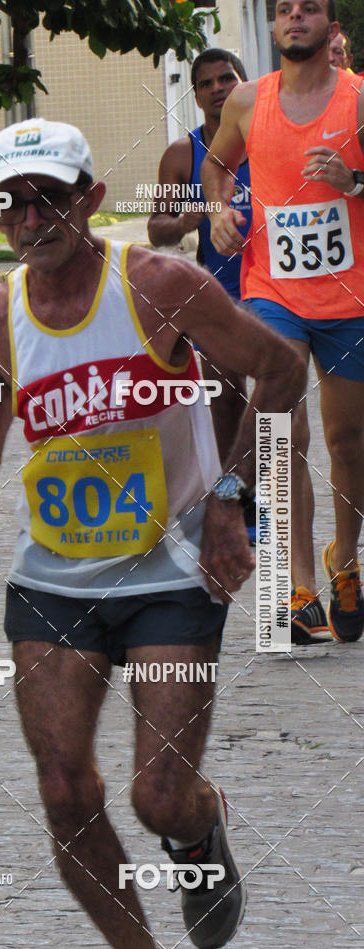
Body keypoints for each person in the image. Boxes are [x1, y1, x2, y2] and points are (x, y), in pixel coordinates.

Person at [0, 117, 306, 949]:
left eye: (48, 195)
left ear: (90, 198)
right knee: (62, 789)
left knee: (157, 794)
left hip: (172, 566)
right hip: (55, 578)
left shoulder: (158, 286)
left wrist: (230, 497)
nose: (28, 216)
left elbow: (282, 368)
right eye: (8, 201)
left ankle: (199, 821)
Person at [202, 0, 364, 645]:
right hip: (273, 292)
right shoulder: (246, 101)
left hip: (350, 298)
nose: (296, 18)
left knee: (348, 442)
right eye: (285, 10)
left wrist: (353, 182)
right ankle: (300, 587)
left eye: (310, 9)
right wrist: (218, 210)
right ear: (274, 26)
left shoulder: (357, 99)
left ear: (329, 23)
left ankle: (344, 563)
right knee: (281, 432)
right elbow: (216, 166)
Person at [148, 48, 252, 467]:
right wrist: (187, 219)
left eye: (226, 78)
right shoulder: (182, 156)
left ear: (244, 83)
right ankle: (239, 511)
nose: (217, 89)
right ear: (195, 96)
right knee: (225, 402)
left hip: (276, 291)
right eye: (206, 84)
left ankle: (276, 516)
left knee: (276, 414)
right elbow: (156, 229)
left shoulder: (271, 140)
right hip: (219, 296)